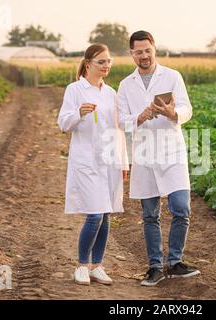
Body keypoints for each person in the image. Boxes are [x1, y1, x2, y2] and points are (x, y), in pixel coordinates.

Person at [117, 31, 200, 286]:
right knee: (150, 214)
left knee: (181, 207)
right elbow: (121, 119)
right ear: (132, 53)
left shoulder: (172, 76)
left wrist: (172, 112)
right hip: (144, 154)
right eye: (138, 51)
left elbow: (187, 109)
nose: (144, 55)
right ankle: (154, 266)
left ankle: (174, 262)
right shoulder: (125, 84)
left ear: (154, 49)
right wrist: (138, 118)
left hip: (171, 150)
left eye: (147, 50)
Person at [57, 43, 128, 286]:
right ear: (88, 64)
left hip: (109, 160)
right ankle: (81, 266)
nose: (107, 65)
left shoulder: (111, 93)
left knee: (106, 214)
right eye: (102, 62)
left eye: (109, 62)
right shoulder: (75, 89)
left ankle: (98, 265)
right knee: (95, 214)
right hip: (86, 160)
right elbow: (64, 124)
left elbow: (119, 130)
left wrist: (124, 162)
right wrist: (79, 112)